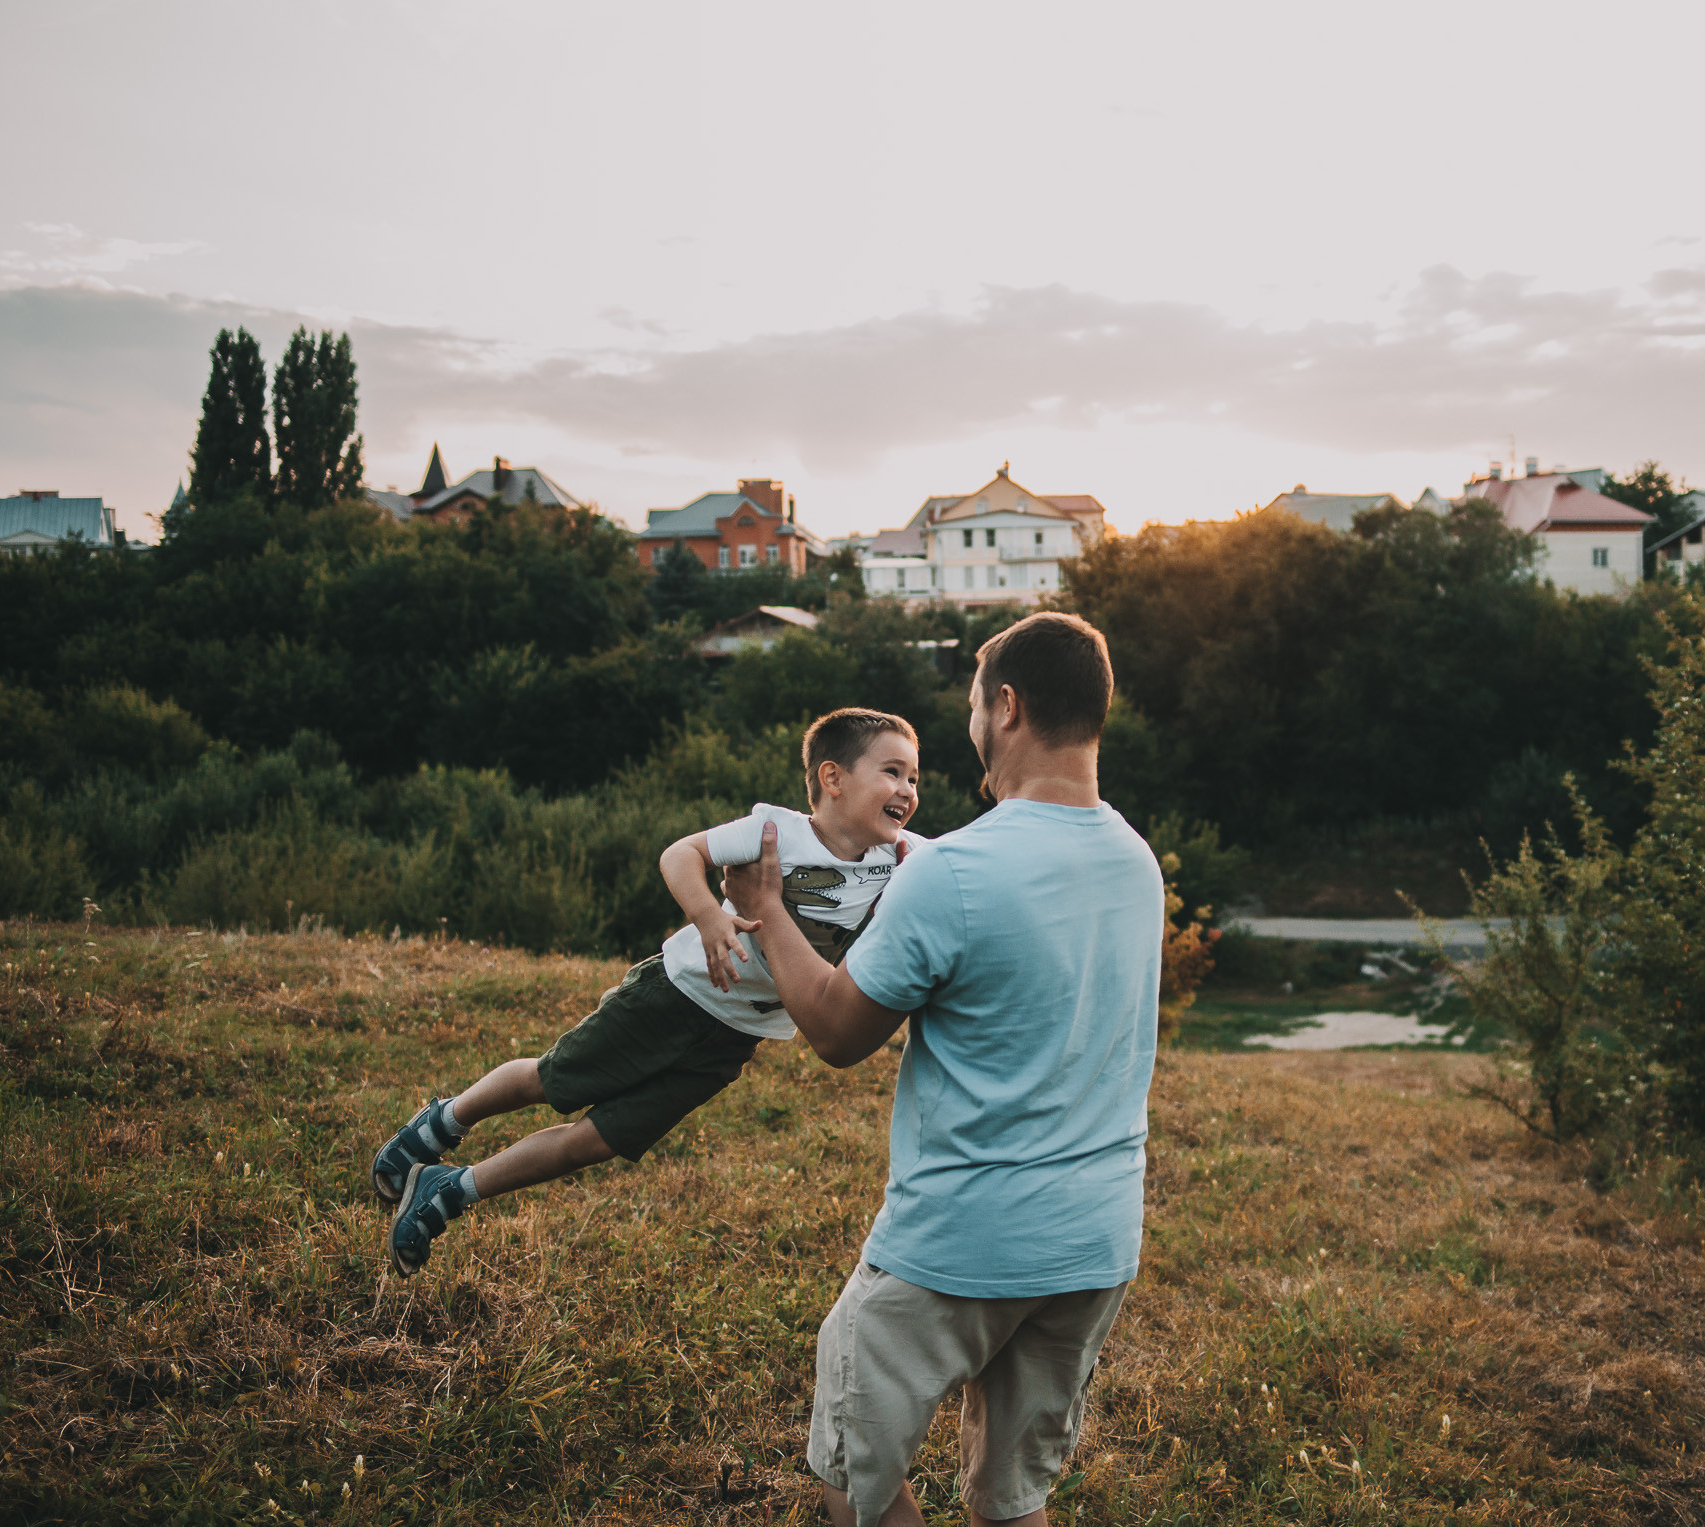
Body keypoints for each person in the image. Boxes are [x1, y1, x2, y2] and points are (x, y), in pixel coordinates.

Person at [722, 612, 1161, 1527]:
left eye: (971, 704)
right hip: (1093, 1243)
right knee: (1012, 1497)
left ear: (1006, 706)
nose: (968, 726)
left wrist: (768, 909)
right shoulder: (1137, 862)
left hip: (962, 1242)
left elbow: (840, 1032)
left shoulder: (956, 870)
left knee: (855, 1475)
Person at [369, 707, 925, 1277]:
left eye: (913, 778)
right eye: (892, 772)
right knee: (552, 1080)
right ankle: (441, 1123)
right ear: (832, 779)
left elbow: (964, 863)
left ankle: (448, 1192)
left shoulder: (902, 859)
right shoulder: (775, 832)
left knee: (598, 1140)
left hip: (735, 1038)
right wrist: (708, 915)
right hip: (673, 995)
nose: (906, 790)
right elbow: (680, 854)